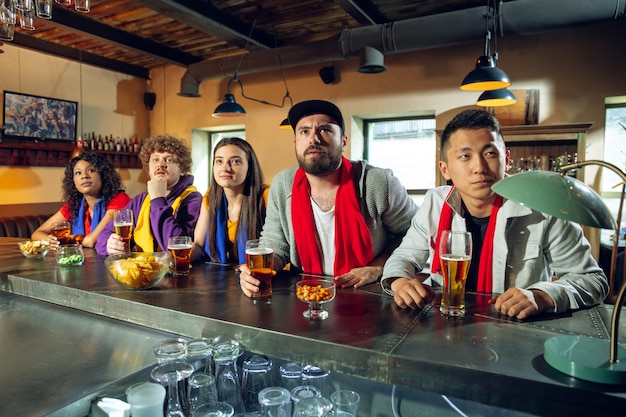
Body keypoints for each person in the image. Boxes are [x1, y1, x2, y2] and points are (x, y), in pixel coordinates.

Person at [381, 109, 609, 319]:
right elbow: (403, 257)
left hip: (516, 328)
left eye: (489, 153)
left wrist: (543, 296)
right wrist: (400, 282)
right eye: (465, 156)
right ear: (445, 169)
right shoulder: (435, 202)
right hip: (445, 324)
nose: (479, 167)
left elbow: (593, 281)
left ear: (506, 159)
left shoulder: (544, 207)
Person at [238, 99, 418, 298]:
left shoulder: (378, 182)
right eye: (304, 131)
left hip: (370, 292)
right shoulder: (282, 184)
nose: (313, 139)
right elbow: (276, 244)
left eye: (324, 130)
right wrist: (258, 270)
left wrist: (377, 268)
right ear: (296, 142)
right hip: (308, 293)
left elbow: (414, 236)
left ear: (343, 141)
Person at [96, 134, 202, 255]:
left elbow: (179, 249)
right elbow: (103, 238)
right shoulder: (140, 201)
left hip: (178, 271)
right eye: (155, 159)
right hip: (144, 269)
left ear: (182, 169)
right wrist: (110, 244)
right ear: (148, 168)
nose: (160, 164)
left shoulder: (193, 200)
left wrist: (157, 200)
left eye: (169, 160)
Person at [192, 137, 269, 264]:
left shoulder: (266, 196)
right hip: (220, 276)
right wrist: (174, 259)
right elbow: (198, 245)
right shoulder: (210, 197)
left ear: (249, 167)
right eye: (219, 161)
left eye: (235, 161)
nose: (225, 168)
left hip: (259, 274)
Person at [32, 152, 131, 249]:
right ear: (73, 181)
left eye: (91, 170)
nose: (84, 176)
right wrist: (49, 240)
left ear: (103, 175)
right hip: (82, 261)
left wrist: (66, 239)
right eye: (78, 173)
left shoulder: (119, 199)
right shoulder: (74, 205)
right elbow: (36, 234)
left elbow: (91, 241)